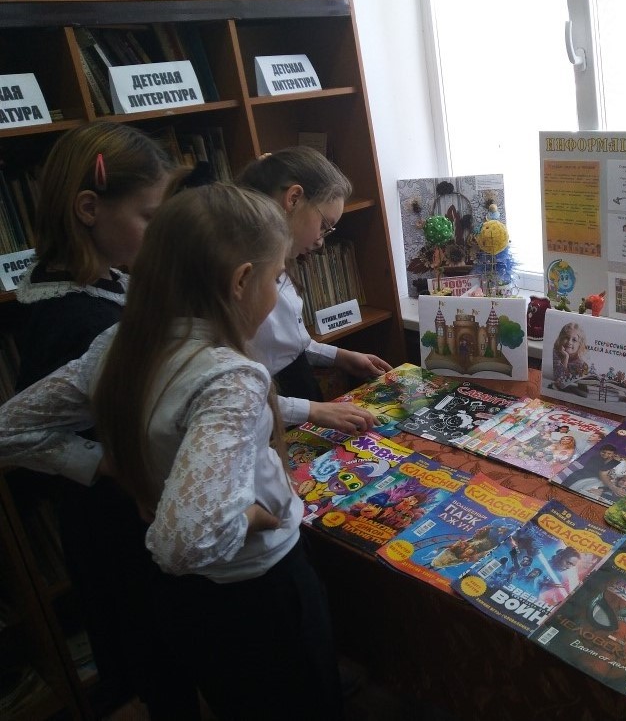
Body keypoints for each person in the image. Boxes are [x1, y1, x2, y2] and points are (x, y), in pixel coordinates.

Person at [0, 184, 345, 718]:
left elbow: (9, 428)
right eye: (276, 277)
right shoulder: (231, 376)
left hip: (183, 602)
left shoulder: (118, 345)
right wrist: (252, 516)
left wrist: (100, 462)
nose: (277, 293)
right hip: (260, 593)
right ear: (240, 281)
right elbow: (182, 540)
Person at [12, 121, 199, 718]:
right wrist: (100, 462)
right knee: (155, 658)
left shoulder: (95, 279)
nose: (158, 233)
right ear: (89, 209)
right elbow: (18, 431)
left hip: (130, 503)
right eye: (149, 217)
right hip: (116, 521)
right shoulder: (75, 322)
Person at [237, 146, 390, 434]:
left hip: (296, 396)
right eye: (324, 225)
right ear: (294, 198)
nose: (321, 241)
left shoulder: (278, 260)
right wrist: (311, 410)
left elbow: (291, 342)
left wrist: (340, 356)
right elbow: (237, 397)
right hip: (270, 412)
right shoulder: (248, 275)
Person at [551, 320, 589, 391]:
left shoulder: (580, 360)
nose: (569, 342)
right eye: (567, 338)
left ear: (579, 344)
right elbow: (557, 378)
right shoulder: (557, 351)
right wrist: (565, 357)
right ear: (561, 338)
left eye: (574, 340)